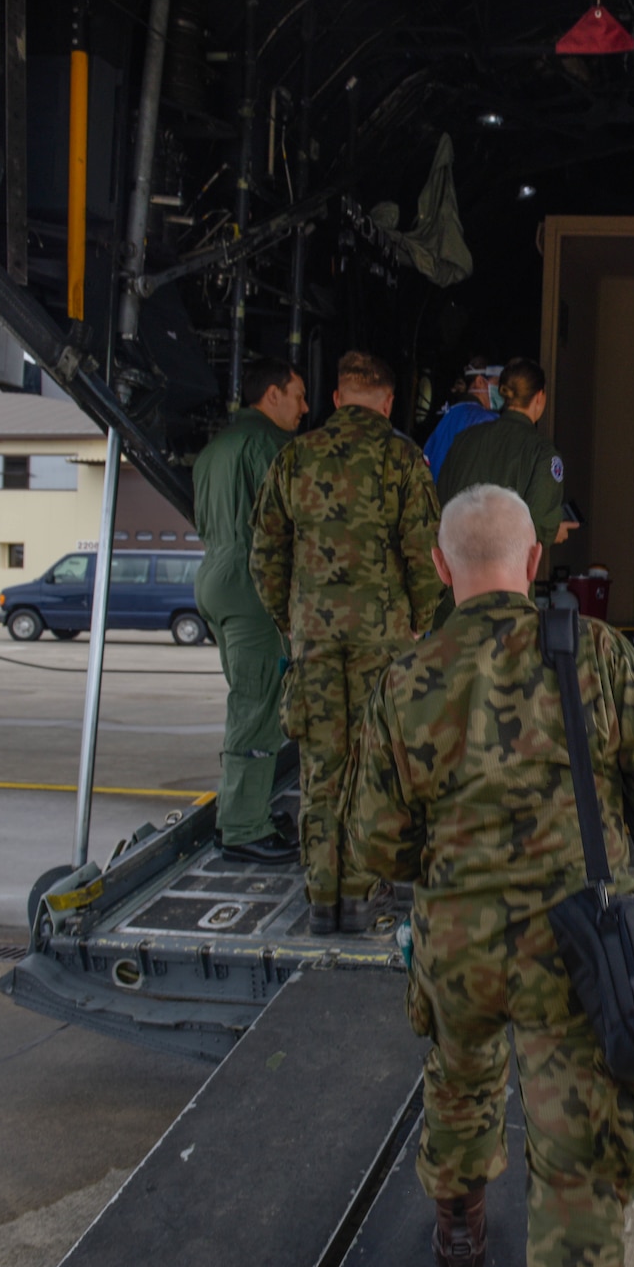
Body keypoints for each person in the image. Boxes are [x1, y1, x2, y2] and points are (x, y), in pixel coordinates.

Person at [348, 484, 634, 1267]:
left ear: (440, 567)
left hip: (457, 943)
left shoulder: (403, 680)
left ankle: (460, 1219)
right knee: (577, 1155)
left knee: (462, 1074)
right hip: (574, 945)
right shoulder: (594, 652)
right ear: (535, 561)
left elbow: (375, 839)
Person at [251, 349, 442, 935]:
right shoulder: (404, 459)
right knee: (373, 766)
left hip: (313, 638)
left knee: (320, 765)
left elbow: (265, 555)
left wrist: (294, 619)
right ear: (388, 402)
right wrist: (418, 618)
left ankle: (322, 898)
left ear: (336, 399)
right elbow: (425, 554)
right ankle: (360, 895)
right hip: (381, 641)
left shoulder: (295, 456)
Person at [193, 357, 306, 864]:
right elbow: (291, 522)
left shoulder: (213, 450)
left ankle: (249, 811)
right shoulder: (269, 446)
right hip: (253, 589)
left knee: (251, 699)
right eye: (298, 396)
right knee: (258, 706)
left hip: (216, 579)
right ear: (272, 395)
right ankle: (242, 828)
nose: (305, 407)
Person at [435, 358, 578, 628]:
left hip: (457, 593)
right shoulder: (542, 454)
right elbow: (538, 527)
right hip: (507, 599)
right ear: (540, 397)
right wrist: (554, 530)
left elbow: (439, 507)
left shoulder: (464, 440)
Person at [422, 355, 502, 479]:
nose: (502, 391)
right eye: (497, 383)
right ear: (479, 382)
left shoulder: (449, 414)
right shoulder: (486, 420)